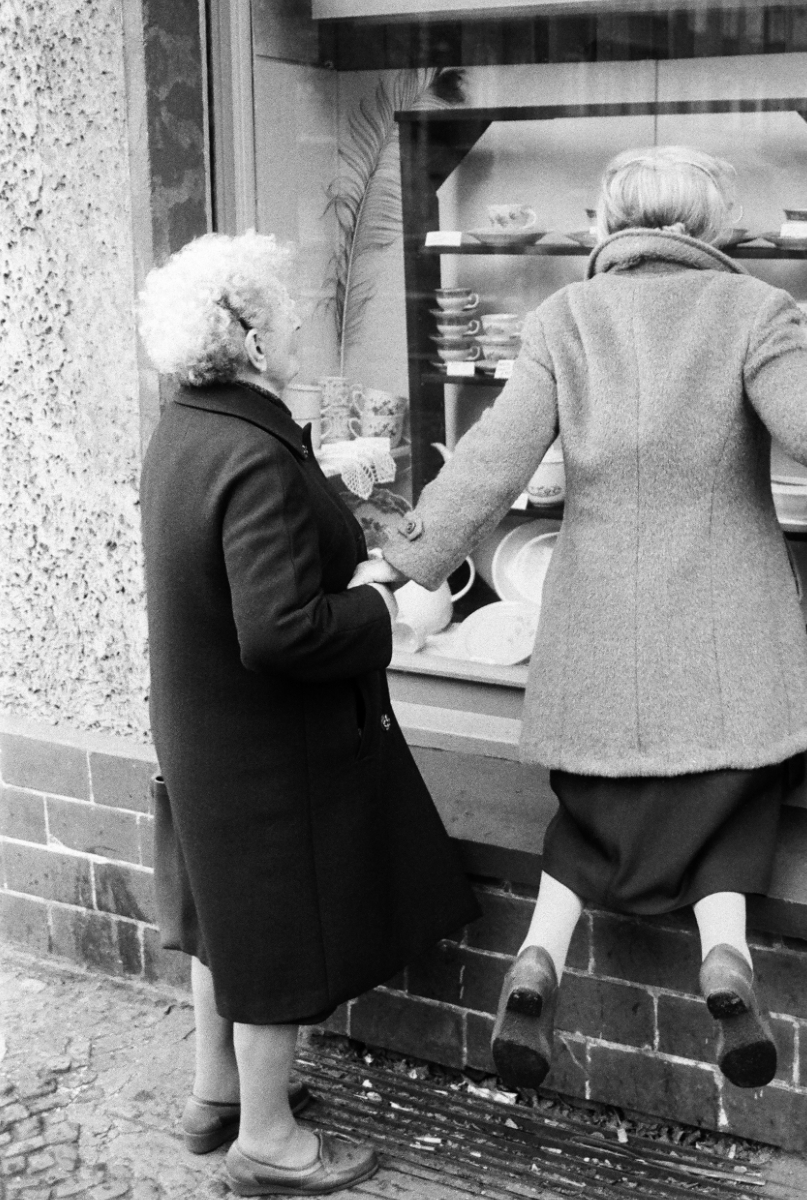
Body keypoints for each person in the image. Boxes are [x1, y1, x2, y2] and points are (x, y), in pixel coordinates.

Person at [380, 146, 807, 1092]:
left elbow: (492, 460)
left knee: (593, 804)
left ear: (610, 225)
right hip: (725, 622)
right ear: (715, 225)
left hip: (597, 621)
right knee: (737, 786)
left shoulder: (564, 318)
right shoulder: (753, 309)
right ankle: (725, 955)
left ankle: (539, 955)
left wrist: (407, 558)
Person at [137, 231, 479, 1196]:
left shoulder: (189, 429)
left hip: (207, 729)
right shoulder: (252, 454)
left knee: (222, 920)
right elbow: (280, 631)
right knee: (276, 930)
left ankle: (218, 1096)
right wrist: (387, 609)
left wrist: (332, 508)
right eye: (283, 316)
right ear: (246, 339)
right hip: (266, 746)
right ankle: (271, 1141)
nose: (295, 328)